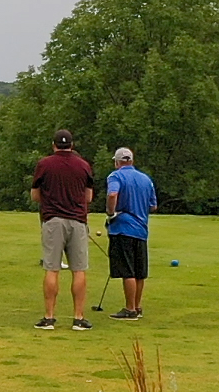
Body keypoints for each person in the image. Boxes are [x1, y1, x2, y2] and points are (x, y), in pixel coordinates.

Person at [31, 129, 94, 330]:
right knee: (79, 270)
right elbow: (88, 197)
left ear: (54, 145)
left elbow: (35, 195)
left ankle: (49, 318)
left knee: (52, 268)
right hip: (78, 221)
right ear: (72, 145)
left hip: (53, 220)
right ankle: (78, 318)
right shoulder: (83, 165)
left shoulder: (44, 164)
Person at [105, 147, 156, 320]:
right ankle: (137, 306)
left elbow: (113, 194)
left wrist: (111, 212)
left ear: (117, 162)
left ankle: (130, 309)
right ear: (132, 161)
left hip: (123, 228)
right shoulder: (146, 179)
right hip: (141, 230)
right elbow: (153, 206)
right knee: (139, 271)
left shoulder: (115, 176)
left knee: (128, 271)